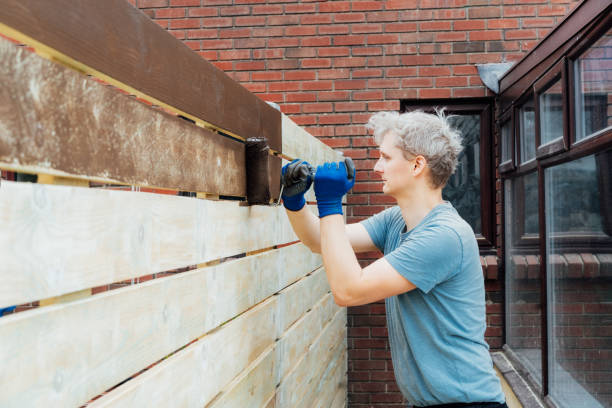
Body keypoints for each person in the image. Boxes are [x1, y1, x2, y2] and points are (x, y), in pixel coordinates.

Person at [281, 110, 507, 408]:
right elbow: (319, 241)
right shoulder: (396, 220)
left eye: (386, 158)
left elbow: (348, 289)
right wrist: (295, 202)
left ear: (417, 165)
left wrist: (330, 202)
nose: (376, 167)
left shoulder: (444, 236)